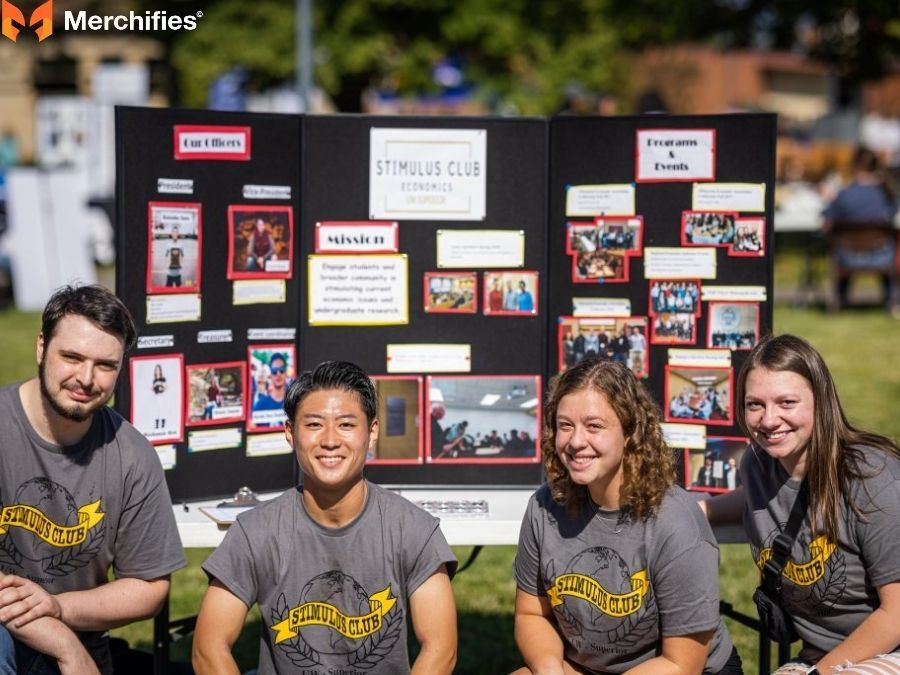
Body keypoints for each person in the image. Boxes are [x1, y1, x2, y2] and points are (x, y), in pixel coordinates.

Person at [193, 361, 458, 674]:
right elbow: (208, 649)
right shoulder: (256, 532)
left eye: (346, 425)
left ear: (372, 432)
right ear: (290, 432)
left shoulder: (414, 531)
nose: (330, 440)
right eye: (314, 425)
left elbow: (441, 651)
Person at [512, 359, 741, 675]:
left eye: (594, 426)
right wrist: (550, 668)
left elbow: (681, 664)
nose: (576, 441)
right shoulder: (543, 506)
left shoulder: (674, 521)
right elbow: (531, 614)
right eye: (565, 425)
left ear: (630, 432)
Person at [0, 284, 185, 674]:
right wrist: (58, 638)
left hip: (79, 650)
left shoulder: (132, 455)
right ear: (40, 347)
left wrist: (60, 609)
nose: (86, 378)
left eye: (105, 365)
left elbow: (150, 586)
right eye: (71, 357)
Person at [700, 334, 900, 674]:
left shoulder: (870, 477)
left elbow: (896, 614)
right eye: (755, 404)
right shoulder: (759, 465)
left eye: (787, 403)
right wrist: (695, 511)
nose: (769, 420)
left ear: (820, 401)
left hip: (887, 649)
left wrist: (821, 672)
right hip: (816, 656)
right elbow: (756, 498)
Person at [822, 146, 898, 309]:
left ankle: (840, 299)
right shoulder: (886, 192)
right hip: (882, 255)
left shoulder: (844, 194)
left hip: (848, 257)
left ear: (854, 167)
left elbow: (826, 226)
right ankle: (892, 301)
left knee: (837, 247)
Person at [251, 352, 289, 426]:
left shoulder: (294, 404)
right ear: (270, 375)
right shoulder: (260, 405)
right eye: (274, 371)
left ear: (285, 373)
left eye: (281, 370)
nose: (278, 374)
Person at [152, 362, 167, 429]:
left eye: (158, 370)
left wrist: (161, 387)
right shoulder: (154, 380)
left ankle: (163, 424)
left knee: (162, 410)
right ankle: (157, 424)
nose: (157, 372)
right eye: (156, 370)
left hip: (162, 396)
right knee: (157, 410)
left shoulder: (163, 379)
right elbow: (152, 388)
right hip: (156, 396)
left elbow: (166, 387)